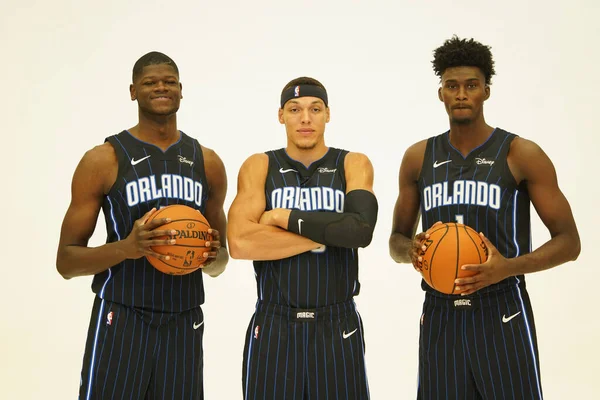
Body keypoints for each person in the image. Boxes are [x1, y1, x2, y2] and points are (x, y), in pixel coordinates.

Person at [389, 35, 581, 399]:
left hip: (501, 308)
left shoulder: (519, 153)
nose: (461, 94)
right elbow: (395, 240)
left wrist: (507, 267)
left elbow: (570, 243)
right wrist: (410, 249)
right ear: (440, 93)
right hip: (440, 312)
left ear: (486, 91)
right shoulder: (418, 157)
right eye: (452, 86)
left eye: (471, 85)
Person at [56, 51, 229, 399]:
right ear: (133, 91)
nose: (161, 87)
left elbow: (221, 260)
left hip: (184, 318)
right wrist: (126, 248)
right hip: (122, 315)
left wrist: (211, 257)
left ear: (181, 90)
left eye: (169, 82)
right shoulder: (102, 159)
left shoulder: (207, 162)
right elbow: (66, 262)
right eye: (150, 82)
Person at [228, 77, 378, 399]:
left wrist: (284, 219)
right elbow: (240, 242)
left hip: (337, 322)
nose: (305, 118)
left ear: (328, 114)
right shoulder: (260, 165)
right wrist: (329, 233)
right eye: (295, 109)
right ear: (281, 115)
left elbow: (360, 231)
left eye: (315, 109)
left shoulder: (352, 163)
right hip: (274, 322)